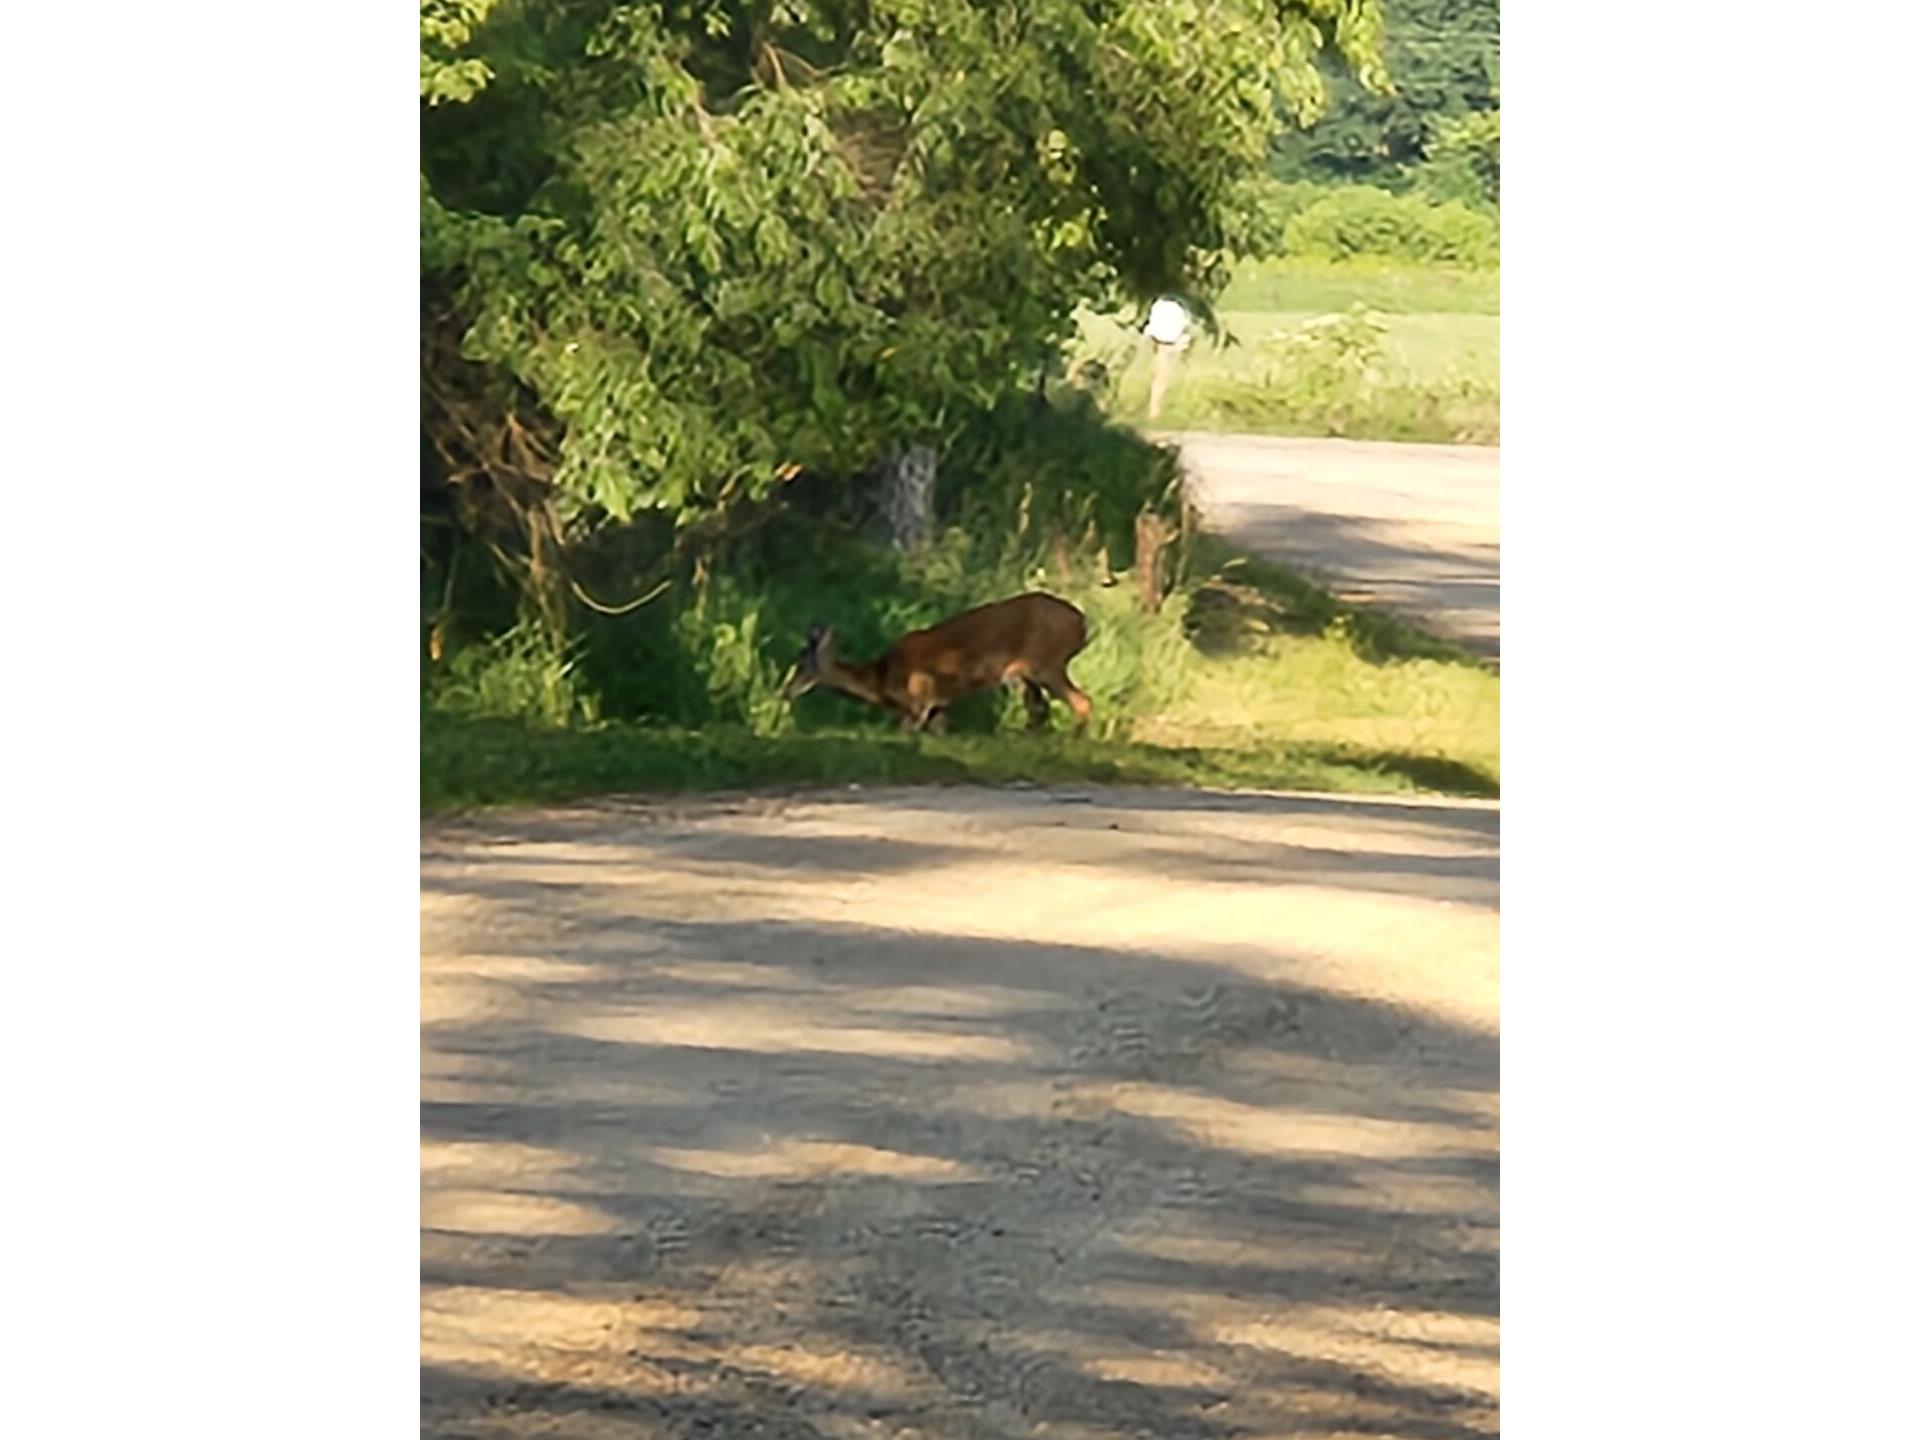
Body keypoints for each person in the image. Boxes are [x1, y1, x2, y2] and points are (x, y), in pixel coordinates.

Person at [1143, 295, 1190, 422]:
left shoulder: (1162, 304)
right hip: (1168, 341)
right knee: (1162, 378)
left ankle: (1157, 410)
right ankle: (1155, 411)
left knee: (1162, 377)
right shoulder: (1171, 305)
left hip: (1167, 340)